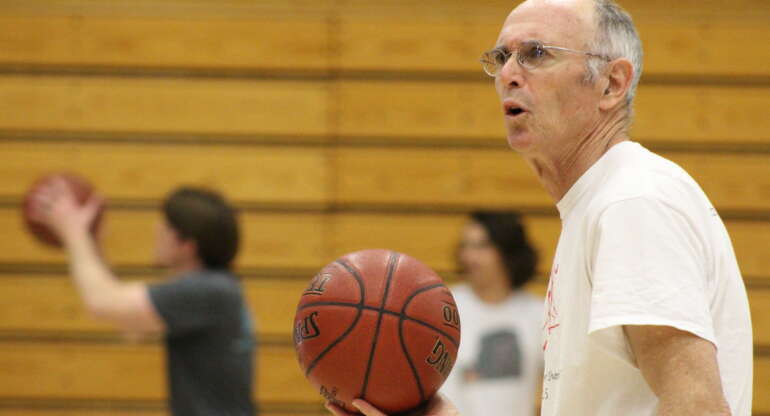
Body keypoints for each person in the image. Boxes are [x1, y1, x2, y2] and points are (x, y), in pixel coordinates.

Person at [328, 0, 753, 414]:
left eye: (535, 54)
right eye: (501, 57)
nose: (508, 74)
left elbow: (696, 406)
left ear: (612, 84)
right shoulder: (599, 205)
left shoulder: (632, 202)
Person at [29, 183, 256, 416]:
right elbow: (130, 323)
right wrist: (90, 242)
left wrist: (73, 232)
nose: (158, 229)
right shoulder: (218, 288)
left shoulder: (207, 290)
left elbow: (103, 303)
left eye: (167, 226)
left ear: (187, 246)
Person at [440, 211, 542, 416]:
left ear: (508, 251)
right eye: (465, 246)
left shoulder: (539, 314)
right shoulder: (443, 307)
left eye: (481, 246)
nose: (469, 256)